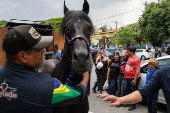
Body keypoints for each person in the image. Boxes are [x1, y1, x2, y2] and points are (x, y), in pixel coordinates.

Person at [0, 25, 89, 113]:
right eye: (38, 49)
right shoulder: (48, 86)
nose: (44, 51)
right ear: (23, 56)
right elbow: (78, 94)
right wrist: (85, 77)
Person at [99, 59, 170, 113]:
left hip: (154, 91)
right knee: (149, 101)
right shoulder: (164, 71)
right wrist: (120, 99)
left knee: (153, 102)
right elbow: (144, 92)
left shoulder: (157, 71)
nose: (148, 64)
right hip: (151, 88)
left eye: (149, 63)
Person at [122, 46, 141, 111]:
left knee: (134, 92)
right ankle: (128, 102)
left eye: (128, 51)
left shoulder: (136, 59)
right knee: (126, 89)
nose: (127, 52)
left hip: (133, 78)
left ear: (131, 52)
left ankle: (133, 105)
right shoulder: (130, 57)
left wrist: (135, 79)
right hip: (127, 77)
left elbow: (138, 70)